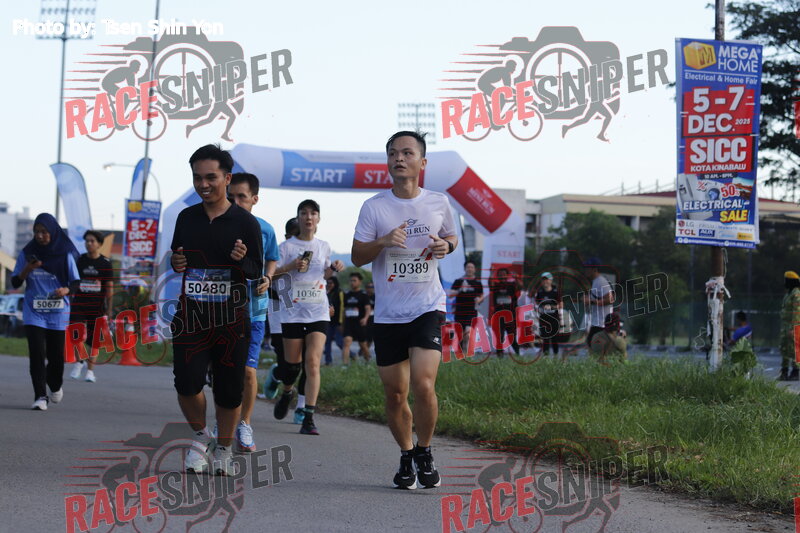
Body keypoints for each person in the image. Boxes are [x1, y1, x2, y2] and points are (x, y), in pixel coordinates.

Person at [352, 130, 458, 490]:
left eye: (407, 153)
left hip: (427, 306)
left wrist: (446, 246)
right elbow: (357, 256)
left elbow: (451, 237)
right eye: (393, 153)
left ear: (422, 162)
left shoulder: (439, 202)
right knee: (395, 395)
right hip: (388, 314)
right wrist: (382, 241)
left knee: (423, 384)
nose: (399, 158)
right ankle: (406, 453)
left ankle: (425, 451)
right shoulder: (374, 207)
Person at [169, 144, 264, 475]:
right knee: (186, 383)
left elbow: (256, 271)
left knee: (229, 390)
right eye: (197, 178)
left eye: (210, 177)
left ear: (227, 178)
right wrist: (176, 261)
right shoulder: (186, 218)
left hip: (231, 319)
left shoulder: (245, 223)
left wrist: (242, 259)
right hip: (191, 317)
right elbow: (178, 258)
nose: (203, 184)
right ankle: (201, 438)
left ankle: (223, 448)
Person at [272, 199, 344, 435]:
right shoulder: (285, 247)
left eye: (313, 213)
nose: (308, 217)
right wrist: (290, 266)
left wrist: (334, 268)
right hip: (292, 313)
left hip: (317, 311)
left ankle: (308, 417)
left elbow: (324, 274)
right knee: (291, 367)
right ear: (299, 218)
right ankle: (287, 392)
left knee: (312, 362)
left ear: (318, 219)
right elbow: (271, 275)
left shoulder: (323, 246)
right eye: (304, 213)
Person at [227, 172, 279, 453]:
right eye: (231, 197)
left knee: (248, 371)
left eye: (242, 197)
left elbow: (272, 259)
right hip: (222, 311)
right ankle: (223, 422)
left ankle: (245, 424)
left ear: (254, 199)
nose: (235, 202)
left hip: (255, 311)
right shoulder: (218, 226)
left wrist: (268, 278)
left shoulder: (265, 229)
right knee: (225, 372)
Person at [11, 213, 80, 410]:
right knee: (37, 354)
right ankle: (40, 396)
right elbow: (15, 282)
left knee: (56, 356)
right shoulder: (27, 253)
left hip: (58, 312)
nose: (40, 236)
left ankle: (55, 384)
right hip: (34, 311)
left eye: (44, 232)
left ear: (53, 232)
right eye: (36, 232)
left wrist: (66, 290)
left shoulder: (65, 253)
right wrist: (27, 269)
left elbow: (76, 282)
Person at [69, 230, 113, 383]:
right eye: (87, 241)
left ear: (99, 244)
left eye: (92, 241)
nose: (89, 243)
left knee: (94, 341)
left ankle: (90, 371)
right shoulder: (80, 260)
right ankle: (79, 362)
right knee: (76, 335)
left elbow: (109, 287)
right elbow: (73, 281)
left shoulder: (105, 263)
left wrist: (109, 309)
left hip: (97, 306)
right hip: (79, 304)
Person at [448, 261, 485, 354]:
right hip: (459, 311)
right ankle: (460, 353)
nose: (470, 269)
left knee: (468, 333)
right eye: (468, 267)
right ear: (465, 269)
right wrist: (460, 289)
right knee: (460, 334)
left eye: (472, 267)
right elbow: (450, 295)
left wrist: (479, 300)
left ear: (474, 269)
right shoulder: (458, 281)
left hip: (471, 311)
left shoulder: (477, 282)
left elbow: (481, 296)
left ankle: (466, 353)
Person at [342, 271, 372, 364]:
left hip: (359, 323)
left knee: (363, 344)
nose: (352, 282)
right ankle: (345, 365)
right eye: (351, 280)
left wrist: (365, 318)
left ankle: (368, 361)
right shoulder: (346, 294)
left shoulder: (363, 295)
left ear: (360, 282)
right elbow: (344, 309)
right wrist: (342, 322)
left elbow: (368, 308)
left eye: (354, 280)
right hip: (349, 322)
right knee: (346, 342)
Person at [583, 257, 614, 347]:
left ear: (595, 269)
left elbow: (610, 299)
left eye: (588, 268)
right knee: (591, 345)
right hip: (597, 322)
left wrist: (591, 301)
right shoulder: (595, 282)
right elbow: (598, 298)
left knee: (592, 346)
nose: (585, 270)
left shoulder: (601, 281)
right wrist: (588, 299)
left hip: (602, 323)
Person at [490, 267, 519, 356]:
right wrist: (491, 273)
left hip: (510, 315)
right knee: (499, 337)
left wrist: (516, 278)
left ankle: (518, 355)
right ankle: (499, 357)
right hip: (498, 315)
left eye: (504, 274)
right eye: (500, 274)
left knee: (512, 337)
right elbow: (490, 284)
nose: (502, 275)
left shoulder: (512, 285)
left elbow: (520, 286)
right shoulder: (496, 285)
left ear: (507, 275)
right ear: (498, 276)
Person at [533, 272, 562, 356]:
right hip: (543, 319)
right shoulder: (540, 292)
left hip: (554, 318)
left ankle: (556, 355)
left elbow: (561, 305)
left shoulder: (556, 292)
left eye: (547, 279)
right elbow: (536, 304)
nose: (545, 281)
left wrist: (551, 307)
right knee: (545, 338)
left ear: (551, 280)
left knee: (554, 339)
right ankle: (546, 357)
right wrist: (538, 308)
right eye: (543, 280)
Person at [779, 271, 800, 381]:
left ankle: (795, 372)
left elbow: (797, 312)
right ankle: (784, 372)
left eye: (786, 280)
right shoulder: (788, 294)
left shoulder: (796, 293)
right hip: (785, 325)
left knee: (795, 349)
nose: (785, 283)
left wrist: (794, 328)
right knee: (784, 348)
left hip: (794, 326)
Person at [324, 276, 344, 365]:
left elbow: (342, 308)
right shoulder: (327, 293)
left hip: (337, 322)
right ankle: (328, 362)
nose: (329, 285)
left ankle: (352, 355)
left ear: (335, 283)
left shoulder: (339, 292)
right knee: (327, 342)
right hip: (328, 321)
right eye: (328, 283)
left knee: (339, 342)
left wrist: (340, 323)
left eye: (331, 283)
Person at [364, 281, 376, 357]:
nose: (369, 289)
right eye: (368, 287)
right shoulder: (363, 296)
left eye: (371, 287)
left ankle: (365, 352)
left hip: (373, 319)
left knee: (370, 338)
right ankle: (364, 352)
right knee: (362, 338)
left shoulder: (376, 297)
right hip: (364, 319)